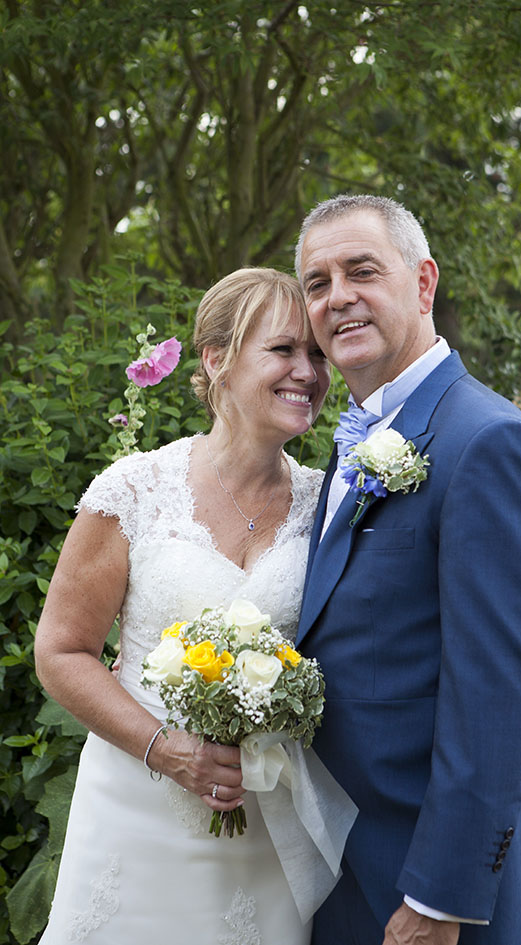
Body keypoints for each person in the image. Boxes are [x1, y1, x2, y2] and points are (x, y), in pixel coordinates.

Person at [293, 194, 521, 945]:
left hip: (431, 896)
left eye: (360, 271)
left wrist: (441, 899)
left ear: (423, 282)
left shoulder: (486, 443)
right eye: (317, 283)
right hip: (342, 874)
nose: (336, 296)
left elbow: (499, 696)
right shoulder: (353, 443)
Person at [35, 267, 330, 944]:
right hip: (136, 814)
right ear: (216, 359)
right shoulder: (137, 488)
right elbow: (59, 651)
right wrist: (165, 748)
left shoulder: (328, 505)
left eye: (317, 354)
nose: (308, 371)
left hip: (265, 830)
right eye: (284, 350)